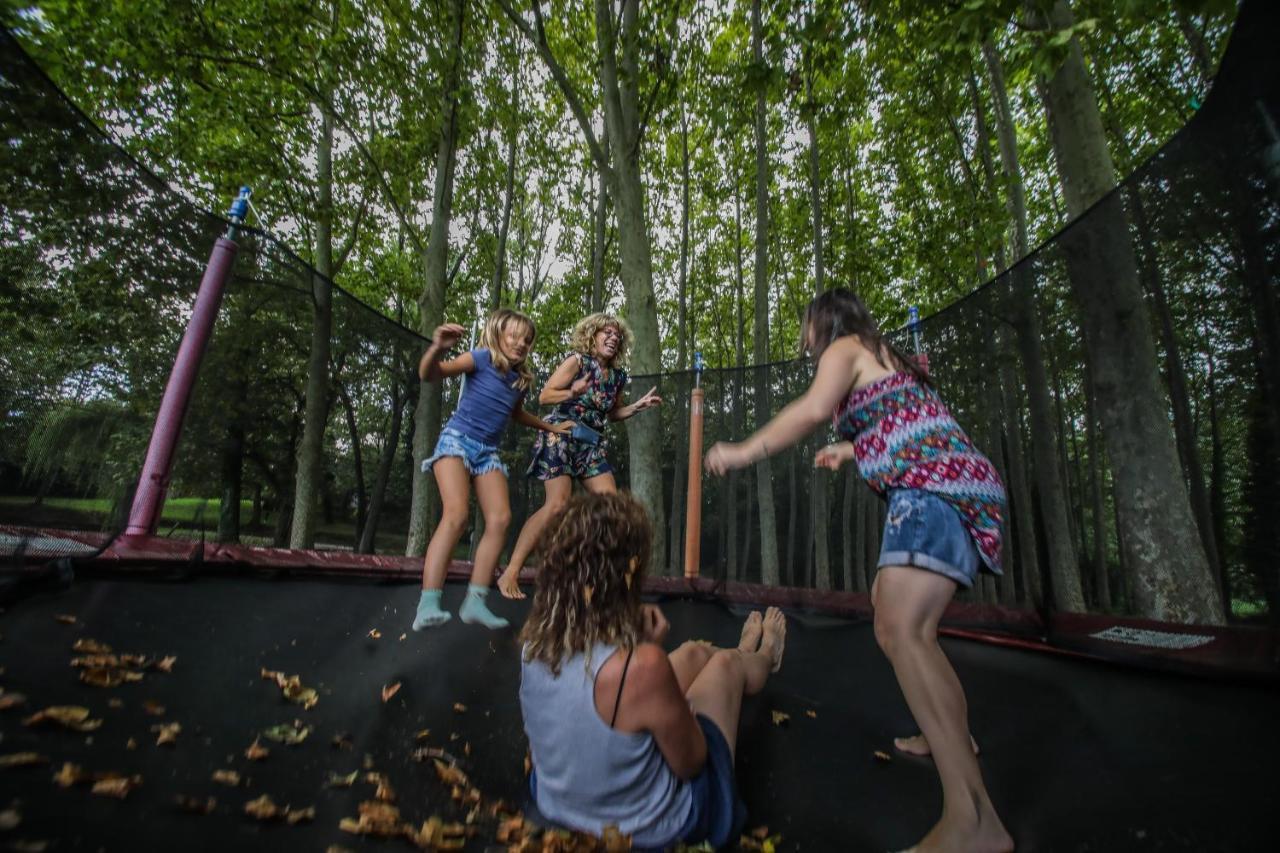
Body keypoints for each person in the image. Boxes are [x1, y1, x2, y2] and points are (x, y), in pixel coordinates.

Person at [705, 288, 1012, 853]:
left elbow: (814, 409)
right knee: (892, 615)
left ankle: (975, 823)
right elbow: (906, 421)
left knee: (903, 629)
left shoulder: (844, 346)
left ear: (821, 322)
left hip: (932, 492)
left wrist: (744, 450)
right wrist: (850, 452)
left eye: (805, 326)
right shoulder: (884, 353)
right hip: (951, 485)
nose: (804, 338)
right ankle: (948, 732)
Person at [519, 492, 786, 849]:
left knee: (693, 653)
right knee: (725, 666)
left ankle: (739, 653)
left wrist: (637, 650)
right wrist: (649, 656)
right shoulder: (642, 667)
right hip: (647, 831)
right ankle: (765, 654)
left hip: (554, 805)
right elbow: (692, 762)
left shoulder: (534, 644)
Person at [412, 308, 571, 631]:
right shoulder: (480, 358)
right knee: (456, 516)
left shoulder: (521, 380)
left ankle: (475, 601)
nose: (521, 343)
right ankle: (428, 602)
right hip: (457, 441)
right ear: (498, 334)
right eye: (514, 335)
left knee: (500, 519)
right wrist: (437, 348)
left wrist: (549, 427)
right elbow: (430, 374)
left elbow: (516, 414)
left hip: (487, 453)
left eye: (527, 340)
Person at [497, 313, 662, 600]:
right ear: (592, 336)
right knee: (557, 505)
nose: (612, 338)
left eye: (617, 336)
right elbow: (546, 396)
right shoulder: (578, 361)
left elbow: (612, 413)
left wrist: (637, 406)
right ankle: (511, 571)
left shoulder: (618, 376)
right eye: (606, 333)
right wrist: (572, 391)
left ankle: (590, 575)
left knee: (612, 509)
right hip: (561, 435)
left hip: (591, 446)